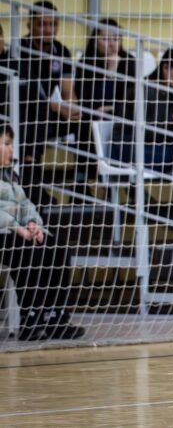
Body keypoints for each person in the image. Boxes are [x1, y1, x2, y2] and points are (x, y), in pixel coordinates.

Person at [0, 124, 84, 340]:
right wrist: (17, 228)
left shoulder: (12, 176)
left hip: (17, 234)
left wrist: (35, 225)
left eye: (11, 144)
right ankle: (31, 319)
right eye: (6, 144)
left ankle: (55, 316)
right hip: (6, 234)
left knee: (56, 248)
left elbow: (26, 204)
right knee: (28, 250)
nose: (11, 150)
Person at [110, 49, 173, 204]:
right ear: (166, 68)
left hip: (152, 149)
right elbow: (143, 134)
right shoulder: (143, 90)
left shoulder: (172, 91)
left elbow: (168, 133)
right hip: (130, 151)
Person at [15, 1, 83, 208]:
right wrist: (56, 106)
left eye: (52, 24)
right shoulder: (19, 50)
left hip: (48, 115)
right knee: (38, 112)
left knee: (86, 121)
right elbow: (26, 94)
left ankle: (81, 187)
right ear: (30, 26)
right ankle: (33, 187)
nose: (47, 29)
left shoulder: (61, 51)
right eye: (42, 24)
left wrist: (73, 108)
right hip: (23, 114)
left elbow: (68, 92)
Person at [73, 18, 137, 181]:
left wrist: (114, 71)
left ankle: (124, 185)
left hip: (121, 117)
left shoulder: (128, 62)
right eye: (105, 39)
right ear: (95, 41)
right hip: (92, 118)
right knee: (89, 125)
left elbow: (130, 98)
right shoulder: (86, 63)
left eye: (116, 39)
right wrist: (109, 72)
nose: (112, 44)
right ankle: (85, 182)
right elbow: (85, 97)